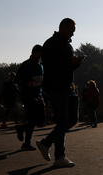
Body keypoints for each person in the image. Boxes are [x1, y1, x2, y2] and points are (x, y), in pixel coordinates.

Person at [36, 18, 84, 167]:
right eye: (71, 31)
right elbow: (53, 67)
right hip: (56, 87)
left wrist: (76, 64)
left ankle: (46, 143)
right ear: (62, 28)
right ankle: (59, 156)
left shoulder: (67, 45)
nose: (72, 34)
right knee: (63, 120)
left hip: (67, 86)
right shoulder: (50, 44)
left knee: (72, 120)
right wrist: (71, 62)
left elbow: (66, 67)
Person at [15, 45, 45, 151]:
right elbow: (17, 79)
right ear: (35, 53)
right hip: (27, 94)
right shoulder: (26, 64)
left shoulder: (41, 64)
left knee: (41, 119)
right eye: (40, 53)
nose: (42, 55)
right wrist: (27, 84)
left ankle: (22, 127)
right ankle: (26, 143)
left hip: (38, 94)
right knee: (32, 118)